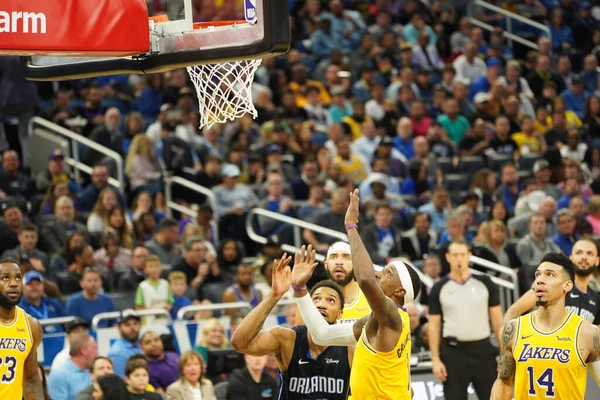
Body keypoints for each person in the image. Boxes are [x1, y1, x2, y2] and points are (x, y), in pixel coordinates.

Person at [292, 188, 422, 399]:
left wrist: (351, 228)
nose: (379, 274)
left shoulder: (392, 314)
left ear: (399, 291)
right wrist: (300, 290)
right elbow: (322, 335)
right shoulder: (375, 320)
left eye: (387, 273)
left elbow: (365, 279)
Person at [231, 253, 353, 400]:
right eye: (316, 299)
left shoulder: (350, 348)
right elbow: (239, 342)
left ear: (340, 314)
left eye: (330, 301)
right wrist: (274, 295)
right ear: (307, 306)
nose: (321, 304)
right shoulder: (287, 339)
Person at [491, 252, 600, 399]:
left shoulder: (587, 333)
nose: (540, 280)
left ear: (567, 286)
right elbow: (504, 382)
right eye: (538, 275)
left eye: (549, 275)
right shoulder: (514, 329)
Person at [428, 240, 504, 399]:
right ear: (448, 257)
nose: (459, 259)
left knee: (493, 396)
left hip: (483, 350)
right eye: (455, 255)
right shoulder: (439, 288)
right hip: (453, 353)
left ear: (469, 256)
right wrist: (435, 359)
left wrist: (504, 353)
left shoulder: (485, 283)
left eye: (463, 254)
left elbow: (497, 321)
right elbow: (434, 326)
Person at [505, 238, 600, 325]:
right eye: (579, 252)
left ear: (597, 260)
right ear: (570, 257)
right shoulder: (553, 284)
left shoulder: (597, 299)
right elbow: (514, 311)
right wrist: (508, 340)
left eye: (589, 253)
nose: (584, 257)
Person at [295, 241, 371, 327]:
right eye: (333, 257)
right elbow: (299, 338)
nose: (339, 262)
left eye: (346, 258)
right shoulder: (312, 300)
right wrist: (298, 286)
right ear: (326, 265)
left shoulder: (370, 296)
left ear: (355, 264)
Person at [0, 260, 44, 399]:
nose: (13, 284)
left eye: (18, 277)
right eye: (5, 278)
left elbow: (31, 379)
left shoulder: (31, 325)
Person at [47, 332, 98, 400]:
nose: (97, 353)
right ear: (84, 350)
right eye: (94, 348)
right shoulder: (59, 375)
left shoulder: (93, 371)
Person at [107, 312, 142, 378]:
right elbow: (121, 381)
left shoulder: (143, 343)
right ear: (119, 328)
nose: (132, 328)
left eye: (135, 323)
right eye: (127, 325)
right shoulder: (117, 353)